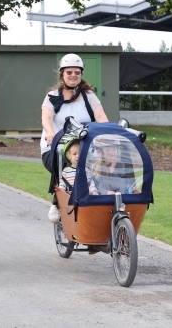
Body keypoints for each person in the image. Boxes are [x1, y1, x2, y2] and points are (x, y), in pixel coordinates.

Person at [40, 53, 109, 222]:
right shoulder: (52, 97)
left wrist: (108, 135)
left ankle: (100, 205)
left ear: (81, 74)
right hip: (54, 146)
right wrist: (50, 132)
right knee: (64, 163)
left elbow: (101, 118)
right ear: (62, 74)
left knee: (103, 166)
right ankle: (57, 202)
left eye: (77, 72)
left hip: (84, 147)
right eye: (69, 72)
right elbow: (46, 118)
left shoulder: (89, 96)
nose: (73, 75)